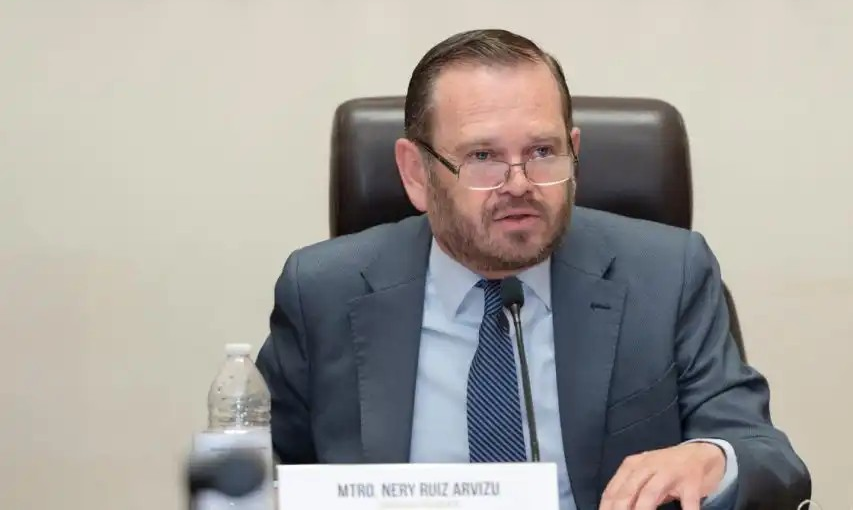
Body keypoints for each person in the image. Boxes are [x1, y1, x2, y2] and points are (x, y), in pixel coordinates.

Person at [256, 29, 812, 510]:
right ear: (416, 173)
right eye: (483, 157)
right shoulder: (323, 291)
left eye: (543, 151)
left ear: (574, 151)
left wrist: (711, 457)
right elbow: (256, 472)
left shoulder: (667, 275)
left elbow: (768, 458)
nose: (519, 184)